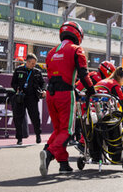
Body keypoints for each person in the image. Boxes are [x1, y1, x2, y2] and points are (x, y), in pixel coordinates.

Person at [40, 21, 95, 176]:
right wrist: (91, 90)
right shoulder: (76, 50)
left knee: (58, 130)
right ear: (78, 34)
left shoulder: (50, 52)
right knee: (68, 131)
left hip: (50, 95)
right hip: (65, 94)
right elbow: (83, 75)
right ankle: (49, 153)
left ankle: (64, 165)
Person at [11, 53, 45, 145]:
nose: (34, 65)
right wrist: (17, 88)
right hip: (21, 97)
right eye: (32, 63)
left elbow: (43, 83)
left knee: (35, 118)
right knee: (19, 118)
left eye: (35, 63)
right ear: (27, 62)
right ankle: (19, 138)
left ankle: (38, 135)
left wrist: (43, 90)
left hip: (32, 98)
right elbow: (13, 83)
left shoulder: (37, 72)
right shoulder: (18, 70)